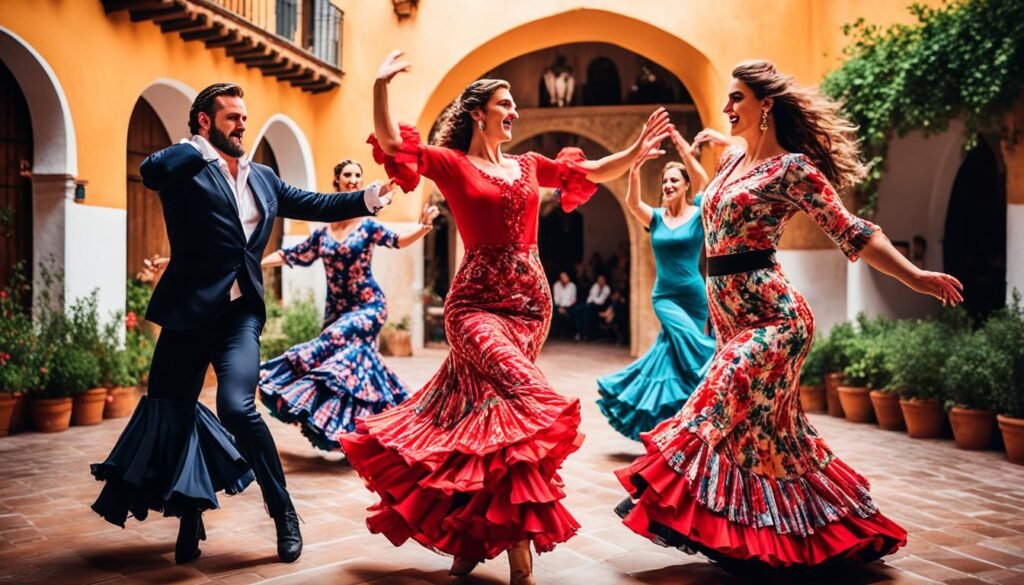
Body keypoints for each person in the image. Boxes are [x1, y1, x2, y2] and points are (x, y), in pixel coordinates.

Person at [339, 50, 671, 585]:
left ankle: (469, 539)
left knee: (486, 425)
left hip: (530, 311)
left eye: (514, 105)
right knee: (523, 406)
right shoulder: (453, 164)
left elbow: (593, 172)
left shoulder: (528, 165)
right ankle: (521, 557)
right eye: (505, 104)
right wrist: (380, 86)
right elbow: (397, 146)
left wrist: (635, 151)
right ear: (479, 113)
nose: (514, 112)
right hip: (473, 307)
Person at [614, 60, 963, 569]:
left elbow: (854, 230)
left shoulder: (792, 169)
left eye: (737, 98)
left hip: (776, 322)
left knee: (711, 407)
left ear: (765, 105)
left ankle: (671, 504)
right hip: (731, 324)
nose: (728, 106)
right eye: (729, 98)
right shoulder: (730, 164)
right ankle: (800, 536)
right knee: (771, 443)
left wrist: (916, 277)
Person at [89, 83, 394, 565]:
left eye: (244, 117)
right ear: (207, 122)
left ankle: (284, 512)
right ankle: (189, 516)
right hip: (188, 316)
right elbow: (151, 171)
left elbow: (316, 204)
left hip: (238, 315)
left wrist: (370, 196)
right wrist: (198, 146)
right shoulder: (187, 167)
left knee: (236, 407)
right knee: (172, 415)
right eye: (232, 116)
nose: (243, 124)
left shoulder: (264, 178)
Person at [258, 159, 439, 451]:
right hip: (336, 312)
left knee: (327, 344)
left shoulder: (367, 225)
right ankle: (379, 427)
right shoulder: (323, 233)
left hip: (368, 307)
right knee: (351, 371)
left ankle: (268, 373)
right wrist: (254, 263)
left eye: (358, 175)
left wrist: (423, 228)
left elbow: (397, 240)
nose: (354, 179)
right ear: (337, 182)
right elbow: (293, 253)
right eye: (348, 175)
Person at [597, 130, 716, 441]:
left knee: (671, 359)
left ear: (686, 186)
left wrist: (684, 150)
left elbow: (704, 177)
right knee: (694, 348)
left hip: (695, 298)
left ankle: (676, 428)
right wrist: (635, 168)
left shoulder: (698, 212)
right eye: (665, 182)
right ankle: (714, 386)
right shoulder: (657, 218)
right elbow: (632, 201)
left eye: (675, 181)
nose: (668, 185)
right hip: (665, 298)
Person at [574, 274, 611, 340]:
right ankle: (579, 332)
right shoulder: (595, 286)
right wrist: (589, 303)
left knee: (586, 314)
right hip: (590, 304)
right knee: (577, 310)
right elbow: (590, 297)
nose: (600, 281)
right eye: (599, 280)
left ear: (604, 281)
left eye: (601, 280)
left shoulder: (607, 289)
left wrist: (592, 301)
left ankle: (585, 334)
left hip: (599, 307)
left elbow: (601, 300)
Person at [551, 271, 577, 339]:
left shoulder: (572, 286)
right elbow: (556, 298)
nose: (563, 279)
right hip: (558, 306)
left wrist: (566, 308)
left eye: (564, 277)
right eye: (561, 277)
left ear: (568, 277)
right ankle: (555, 334)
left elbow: (573, 299)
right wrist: (559, 308)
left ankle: (573, 334)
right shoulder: (556, 285)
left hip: (569, 307)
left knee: (573, 313)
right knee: (554, 315)